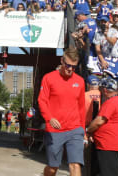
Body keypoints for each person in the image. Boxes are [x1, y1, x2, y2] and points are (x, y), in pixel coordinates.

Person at [38, 47, 85, 176]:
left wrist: (83, 130)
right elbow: (42, 100)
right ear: (62, 61)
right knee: (53, 167)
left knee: (75, 165)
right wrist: (49, 118)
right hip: (55, 130)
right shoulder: (49, 78)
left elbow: (81, 107)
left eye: (74, 67)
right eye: (68, 65)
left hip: (75, 129)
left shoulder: (80, 81)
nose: (70, 69)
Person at [87, 78, 118, 176]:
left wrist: (88, 130)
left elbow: (98, 122)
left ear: (104, 90)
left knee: (108, 173)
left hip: (108, 145)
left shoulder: (111, 102)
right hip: (110, 144)